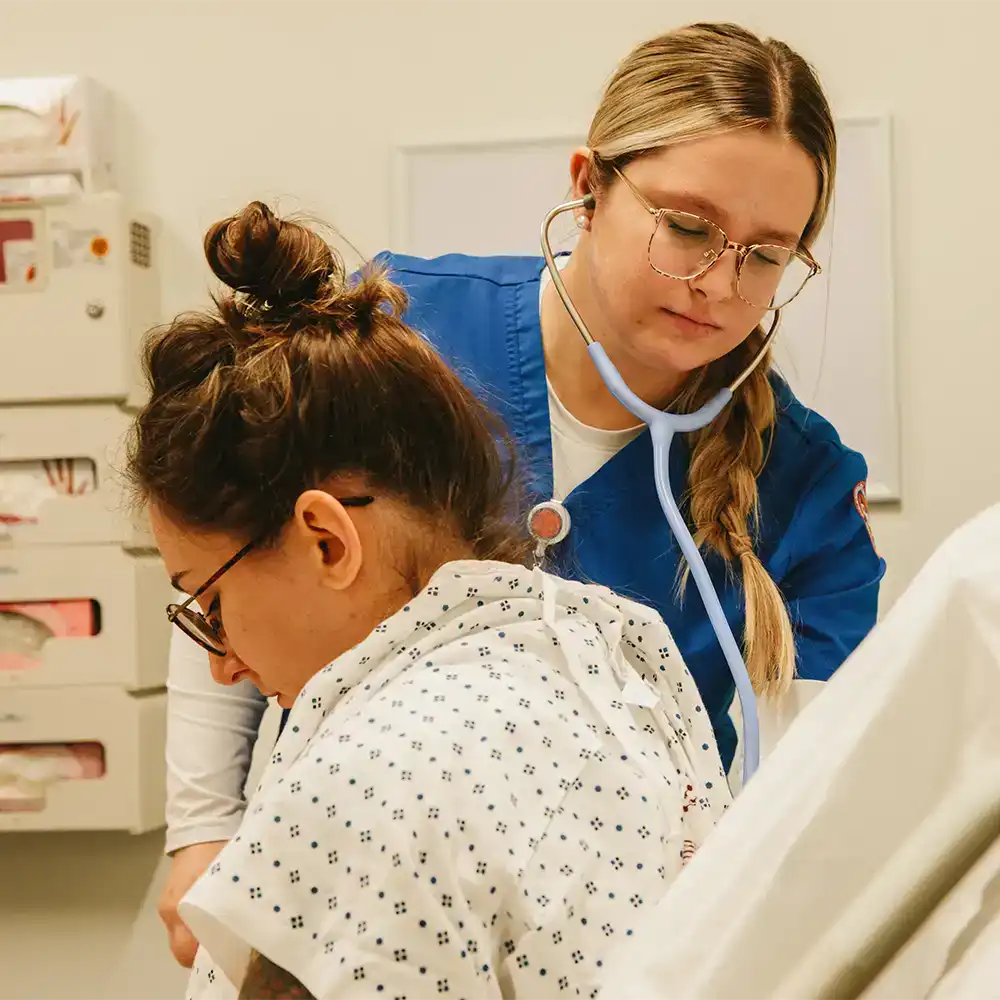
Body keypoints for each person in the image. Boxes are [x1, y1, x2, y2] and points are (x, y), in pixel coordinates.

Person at [159, 20, 886, 966]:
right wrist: (202, 827)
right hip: (359, 898)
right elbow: (228, 560)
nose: (717, 284)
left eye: (764, 255)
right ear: (588, 187)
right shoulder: (397, 338)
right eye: (690, 228)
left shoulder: (805, 484)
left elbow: (819, 789)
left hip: (615, 953)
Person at [129, 201, 730, 1000]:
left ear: (327, 541)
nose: (227, 663)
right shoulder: (620, 665)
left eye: (209, 602)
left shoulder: (363, 788)